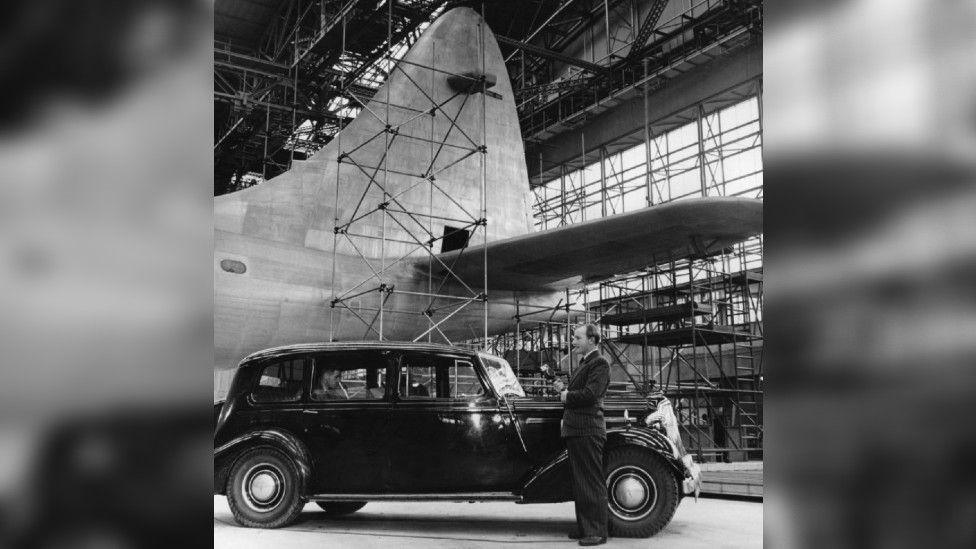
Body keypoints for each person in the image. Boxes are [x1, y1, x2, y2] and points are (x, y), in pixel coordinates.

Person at [553, 324, 610, 546]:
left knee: (591, 481)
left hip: (587, 429)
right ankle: (586, 528)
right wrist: (563, 389)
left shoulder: (600, 363)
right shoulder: (586, 363)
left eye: (577, 338)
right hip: (578, 429)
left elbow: (590, 394)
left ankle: (596, 532)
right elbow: (581, 391)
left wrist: (566, 396)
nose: (573, 342)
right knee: (581, 481)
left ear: (592, 340)